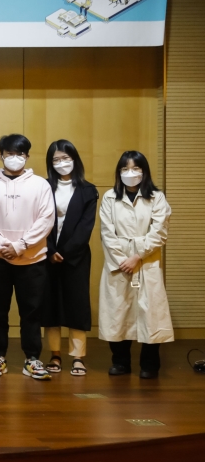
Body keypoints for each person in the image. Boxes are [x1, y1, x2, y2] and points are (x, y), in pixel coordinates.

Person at [0, 134, 56, 380]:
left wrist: (21, 245)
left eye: (20, 154)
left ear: (27, 156)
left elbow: (46, 219)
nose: (15, 158)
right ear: (1, 155)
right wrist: (4, 245)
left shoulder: (40, 185)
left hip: (32, 259)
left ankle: (32, 359)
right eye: (9, 154)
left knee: (32, 311)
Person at [99, 151, 172, 379]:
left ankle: (150, 365)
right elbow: (107, 232)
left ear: (144, 171)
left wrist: (137, 256)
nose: (130, 173)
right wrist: (122, 259)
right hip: (118, 262)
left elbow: (159, 232)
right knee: (118, 312)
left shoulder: (157, 197)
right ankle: (120, 362)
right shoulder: (110, 197)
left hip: (146, 262)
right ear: (119, 172)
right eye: (125, 169)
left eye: (135, 168)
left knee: (151, 313)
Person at [42, 140, 98, 377]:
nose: (61, 163)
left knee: (77, 306)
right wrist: (49, 250)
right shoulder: (43, 187)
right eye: (56, 159)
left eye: (65, 158)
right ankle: (55, 355)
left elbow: (86, 227)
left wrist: (65, 252)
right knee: (51, 307)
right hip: (46, 255)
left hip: (76, 257)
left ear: (75, 159)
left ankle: (78, 357)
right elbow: (37, 221)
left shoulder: (88, 190)